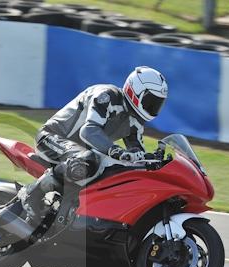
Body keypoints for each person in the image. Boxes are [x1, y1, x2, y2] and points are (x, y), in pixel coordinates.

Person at [20, 66, 168, 220]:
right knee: (87, 158)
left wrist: (153, 161)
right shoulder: (107, 96)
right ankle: (30, 195)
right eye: (151, 100)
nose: (153, 107)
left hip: (82, 154)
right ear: (135, 91)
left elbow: (137, 151)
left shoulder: (135, 121)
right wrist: (115, 151)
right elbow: (89, 131)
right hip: (52, 137)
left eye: (158, 103)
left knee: (114, 172)